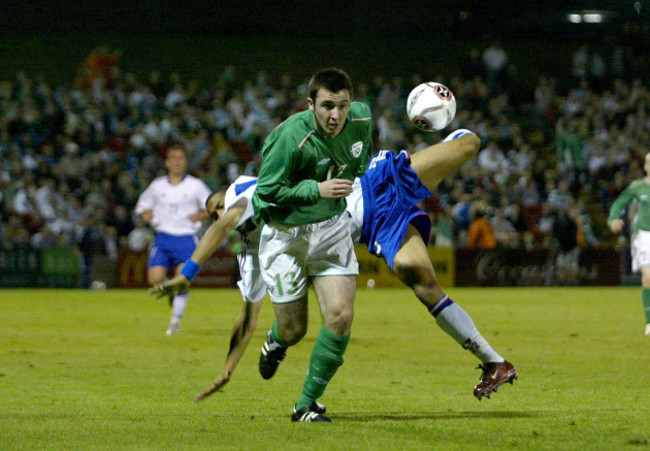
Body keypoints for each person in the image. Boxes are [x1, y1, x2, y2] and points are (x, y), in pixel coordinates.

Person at [153, 129, 517, 412]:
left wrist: (188, 270)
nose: (218, 213)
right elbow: (247, 316)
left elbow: (224, 222)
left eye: (216, 205)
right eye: (213, 211)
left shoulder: (245, 193)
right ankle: (495, 362)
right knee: (419, 280)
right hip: (375, 226)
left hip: (373, 184)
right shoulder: (252, 254)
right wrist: (227, 370)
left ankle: (441, 117)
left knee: (468, 146)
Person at [252, 67, 372, 423]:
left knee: (341, 315)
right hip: (285, 238)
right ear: (310, 104)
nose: (336, 116)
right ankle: (276, 340)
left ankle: (306, 404)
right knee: (294, 330)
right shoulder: (287, 137)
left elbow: (359, 159)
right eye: (327, 106)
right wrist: (315, 189)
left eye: (343, 106)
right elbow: (266, 193)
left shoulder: (361, 118)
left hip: (332, 229)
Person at [135, 145, 211, 335]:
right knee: (155, 281)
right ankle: (172, 292)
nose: (177, 161)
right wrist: (146, 213)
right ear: (167, 162)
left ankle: (175, 322)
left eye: (181, 158)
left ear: (185, 162)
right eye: (173, 158)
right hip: (162, 238)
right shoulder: (157, 185)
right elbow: (142, 206)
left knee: (182, 280)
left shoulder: (196, 185)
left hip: (186, 239)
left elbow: (215, 206)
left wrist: (202, 215)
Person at [608, 152, 650, 336]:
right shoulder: (638, 187)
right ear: (646, 166)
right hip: (644, 235)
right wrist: (613, 218)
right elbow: (619, 203)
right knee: (648, 276)